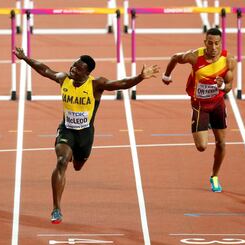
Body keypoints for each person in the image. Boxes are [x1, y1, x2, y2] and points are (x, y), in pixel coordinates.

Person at [14, 47, 159, 224]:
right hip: (66, 130)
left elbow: (120, 84)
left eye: (77, 68)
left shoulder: (95, 84)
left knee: (77, 166)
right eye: (73, 65)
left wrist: (140, 77)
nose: (72, 69)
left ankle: (73, 157)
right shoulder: (63, 79)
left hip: (85, 135)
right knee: (61, 161)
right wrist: (25, 58)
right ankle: (56, 208)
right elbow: (44, 70)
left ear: (87, 72)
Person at [162, 28, 236, 193]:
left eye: (217, 43)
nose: (214, 47)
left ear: (220, 43)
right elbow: (175, 57)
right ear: (205, 43)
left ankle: (214, 176)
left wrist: (222, 85)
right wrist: (166, 75)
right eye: (210, 43)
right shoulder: (195, 56)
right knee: (202, 146)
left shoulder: (228, 60)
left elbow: (230, 86)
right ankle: (204, 123)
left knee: (221, 143)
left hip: (217, 104)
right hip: (200, 105)